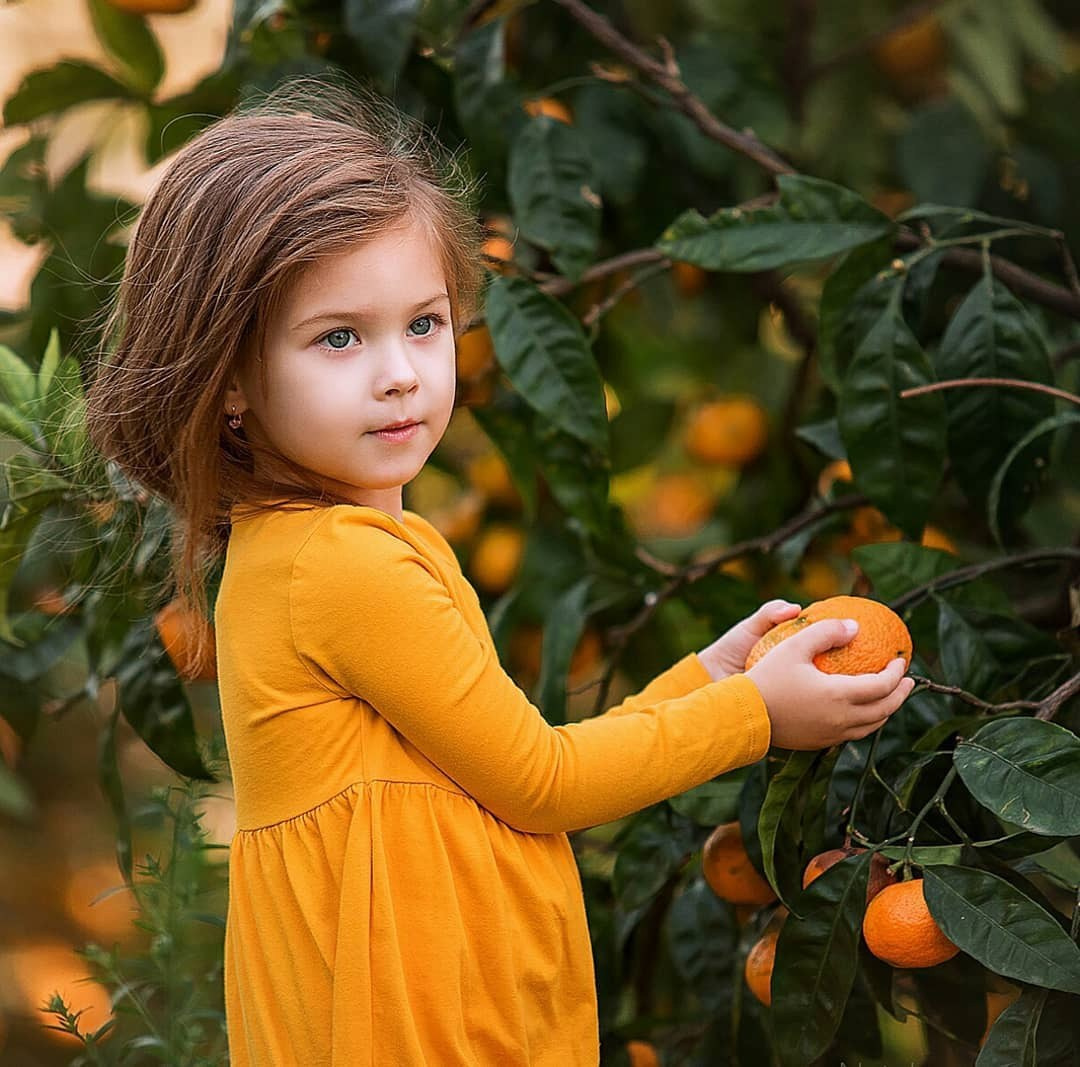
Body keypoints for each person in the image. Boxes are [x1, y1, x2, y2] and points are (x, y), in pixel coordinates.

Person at [83, 76, 914, 1066]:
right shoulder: (344, 567)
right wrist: (754, 717)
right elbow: (542, 782)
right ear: (227, 380)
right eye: (339, 336)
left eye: (424, 323)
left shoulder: (302, 547)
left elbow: (495, 766)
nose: (399, 371)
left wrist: (706, 677)